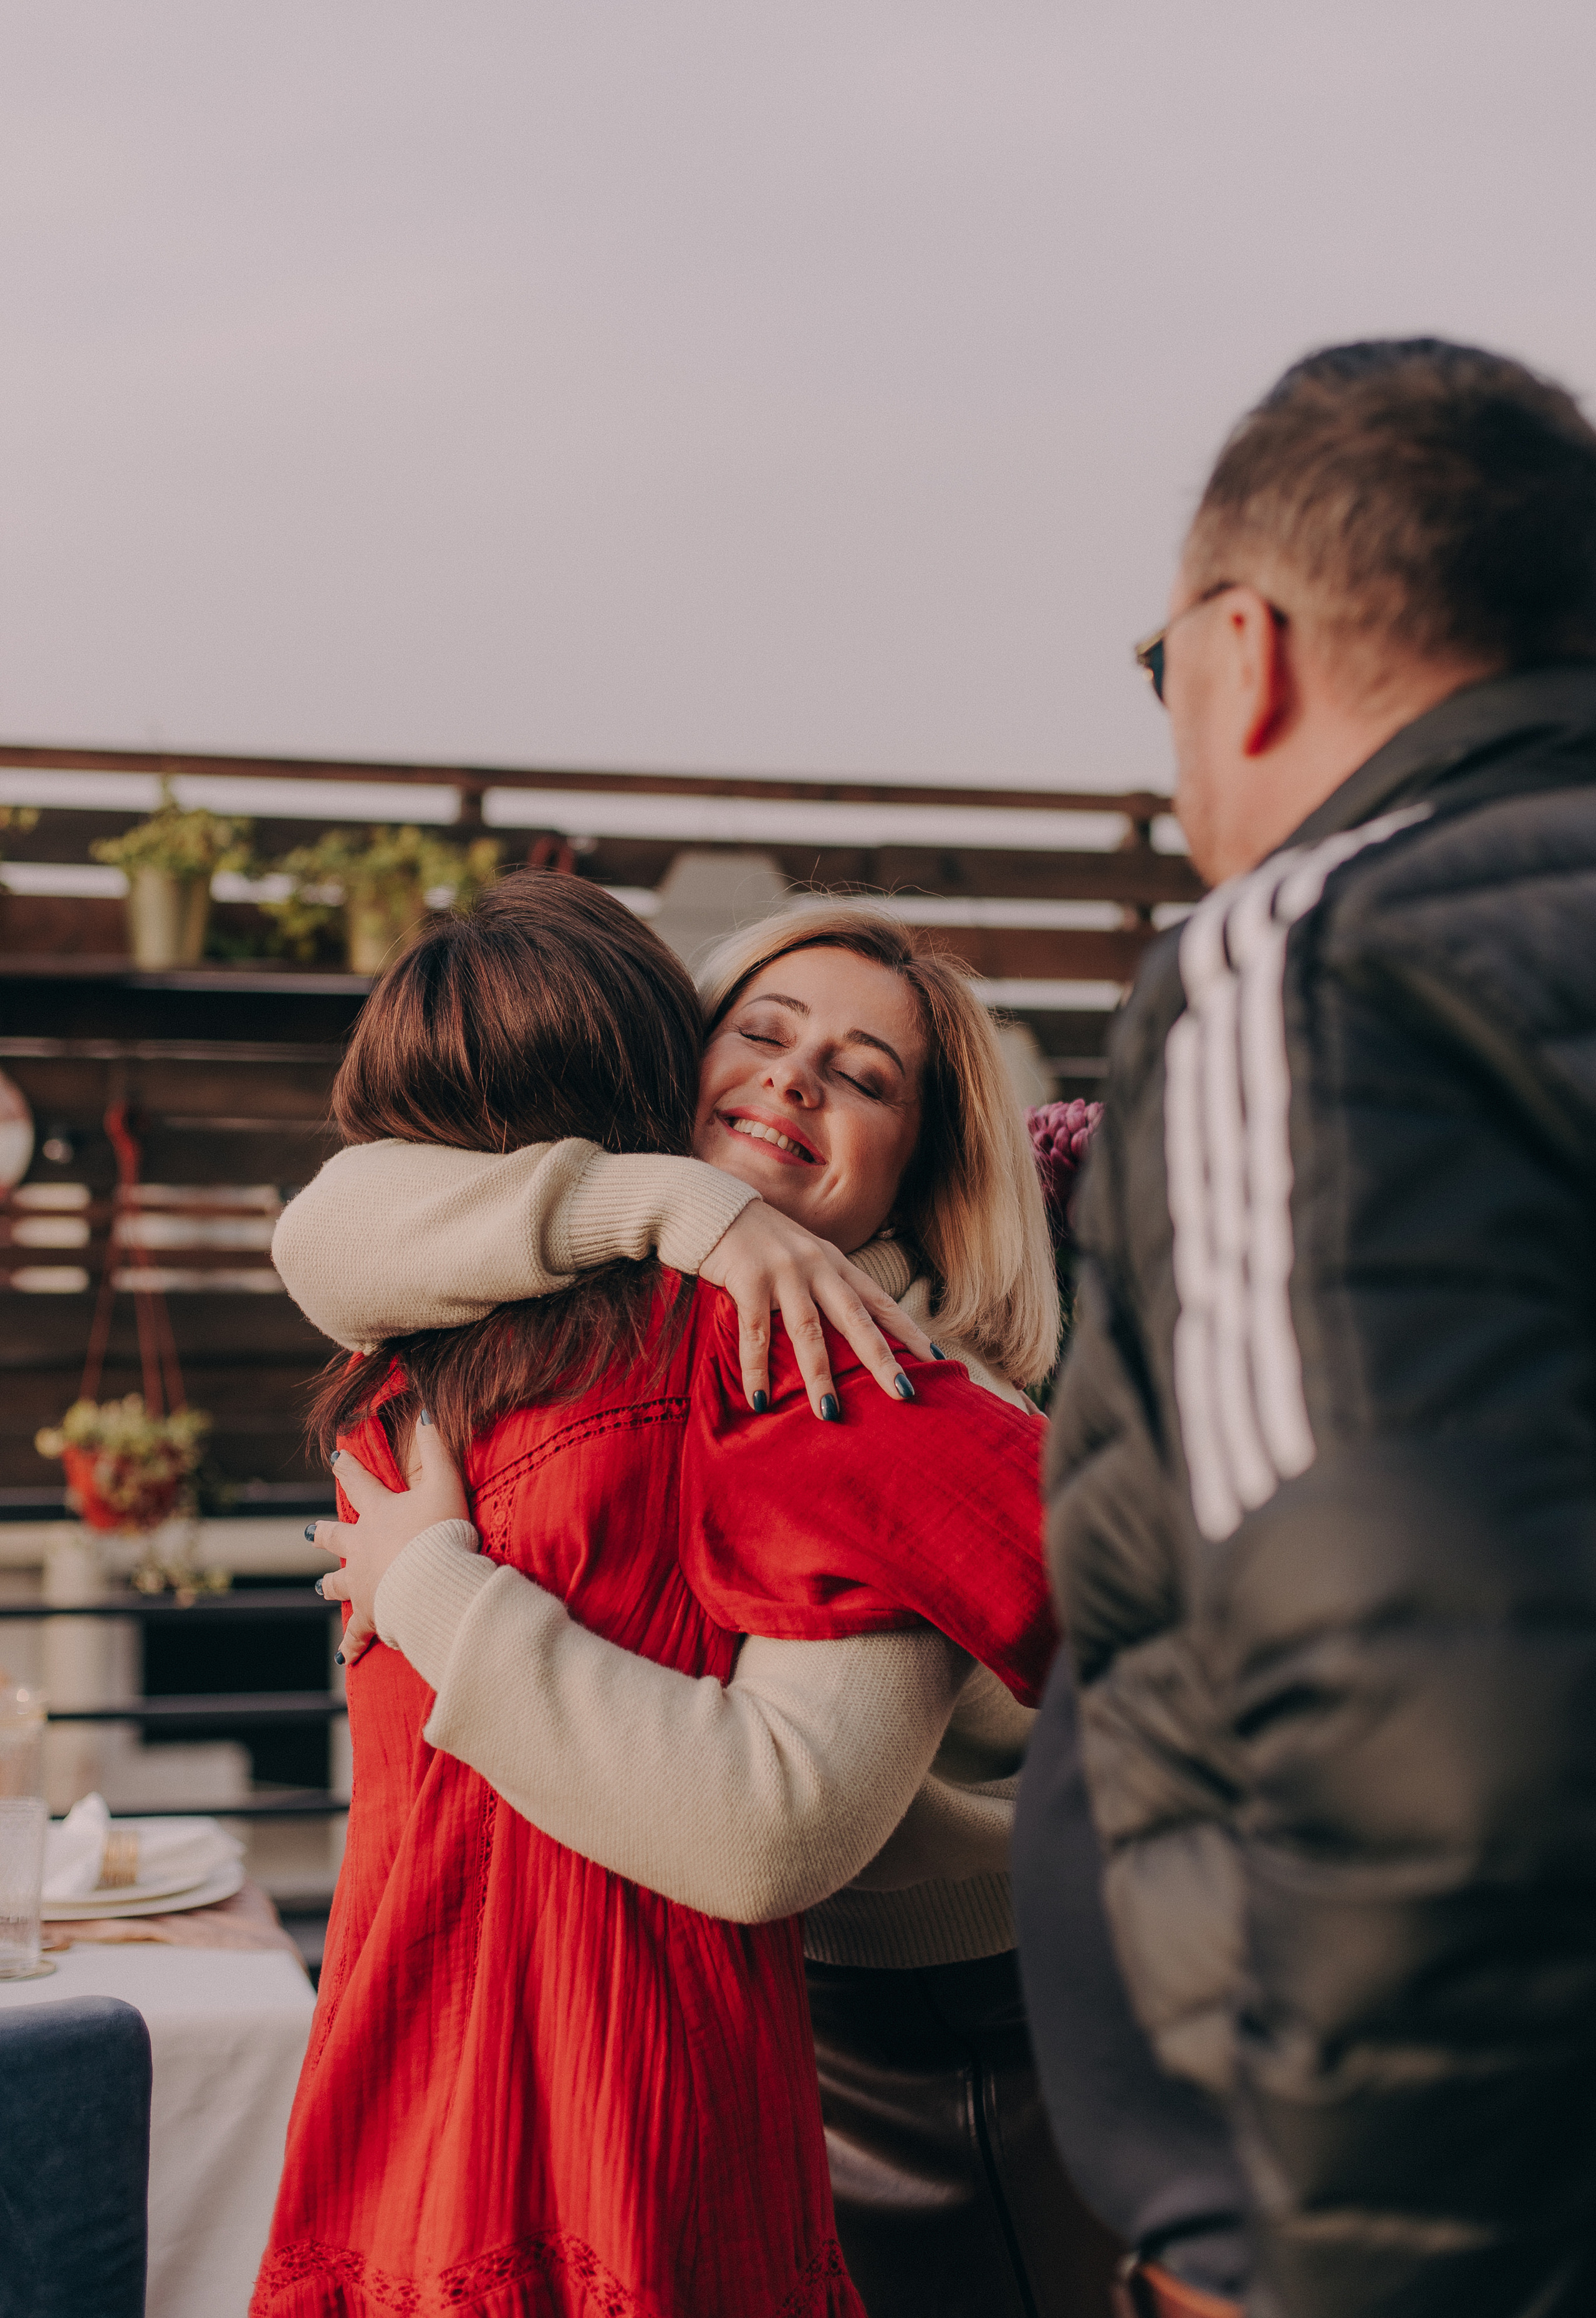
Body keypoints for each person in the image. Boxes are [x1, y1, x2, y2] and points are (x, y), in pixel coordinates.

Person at [272, 902, 1123, 2318]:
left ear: (923, 1173)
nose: (796, 1080)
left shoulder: (870, 1378)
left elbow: (763, 1828)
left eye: (862, 1077)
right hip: (747, 2009)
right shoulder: (616, 1291)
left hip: (963, 2028)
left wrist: (429, 1585)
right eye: (762, 1036)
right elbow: (328, 1230)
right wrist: (676, 1202)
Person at [1029, 339, 1596, 2318]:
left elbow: (1428, 1716)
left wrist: (1362, 2272)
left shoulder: (1313, 954)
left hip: (1403, 2225)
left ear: (1244, 647)